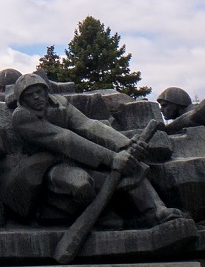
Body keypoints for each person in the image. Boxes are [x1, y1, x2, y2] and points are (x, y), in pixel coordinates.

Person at [11, 73, 182, 227]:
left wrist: (124, 144)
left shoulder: (60, 104)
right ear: (22, 99)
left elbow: (87, 125)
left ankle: (156, 210)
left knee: (131, 164)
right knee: (81, 183)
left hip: (81, 157)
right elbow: (63, 138)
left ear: (45, 91)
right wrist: (112, 158)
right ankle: (104, 217)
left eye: (39, 92)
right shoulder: (22, 117)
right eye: (29, 95)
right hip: (49, 165)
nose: (36, 97)